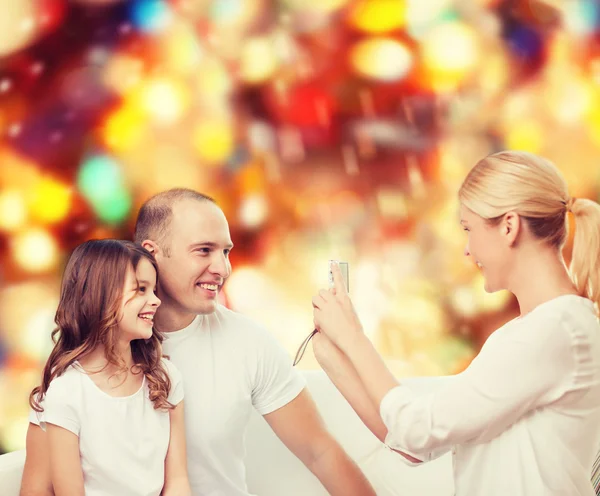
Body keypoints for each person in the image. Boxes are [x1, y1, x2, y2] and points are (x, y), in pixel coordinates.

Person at [21, 189, 375, 496]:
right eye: (204, 250)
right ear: (152, 253)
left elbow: (320, 451)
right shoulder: (78, 370)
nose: (222, 268)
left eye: (226, 251)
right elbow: (38, 486)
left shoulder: (246, 342)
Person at [311, 150, 600, 495]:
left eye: (469, 228)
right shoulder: (528, 333)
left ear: (509, 226)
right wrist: (334, 357)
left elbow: (418, 429)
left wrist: (354, 336)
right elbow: (413, 444)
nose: (467, 249)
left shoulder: (556, 331)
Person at [21, 240, 190, 496]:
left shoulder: (165, 377)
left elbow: (177, 481)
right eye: (141, 289)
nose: (155, 300)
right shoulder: (67, 392)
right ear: (101, 296)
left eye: (154, 290)